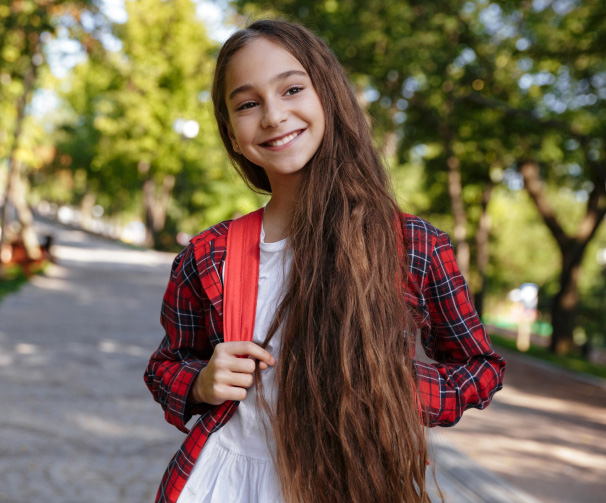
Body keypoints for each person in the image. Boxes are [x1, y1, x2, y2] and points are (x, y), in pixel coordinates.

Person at [144, 19, 506, 503]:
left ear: (329, 98)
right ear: (232, 134)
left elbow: (480, 367)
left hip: (349, 484)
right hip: (222, 483)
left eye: (292, 88)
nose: (273, 115)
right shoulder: (209, 255)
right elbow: (165, 366)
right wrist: (202, 381)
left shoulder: (412, 245)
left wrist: (393, 389)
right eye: (248, 104)